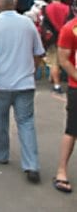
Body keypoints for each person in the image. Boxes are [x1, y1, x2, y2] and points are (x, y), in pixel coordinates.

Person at [0, 0, 45, 184]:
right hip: (25, 82)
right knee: (26, 123)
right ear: (15, 3)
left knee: (1, 120)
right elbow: (39, 52)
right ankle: (31, 164)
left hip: (1, 83)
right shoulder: (28, 24)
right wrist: (32, 69)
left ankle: (1, 154)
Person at [53, 11, 77, 193]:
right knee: (72, 129)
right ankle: (62, 170)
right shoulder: (71, 29)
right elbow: (63, 59)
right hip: (76, 87)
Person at [42, 0, 69, 94]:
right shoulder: (67, 8)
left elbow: (44, 25)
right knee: (68, 61)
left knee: (54, 63)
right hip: (66, 38)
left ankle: (57, 85)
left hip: (52, 39)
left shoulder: (46, 9)